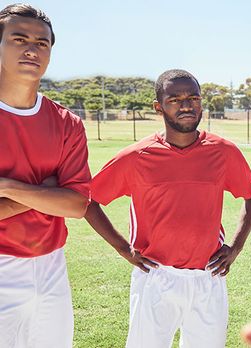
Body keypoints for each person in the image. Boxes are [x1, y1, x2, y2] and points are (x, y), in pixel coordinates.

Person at [83, 69, 251, 347]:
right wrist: (122, 247)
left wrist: (235, 246)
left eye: (193, 98)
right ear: (158, 107)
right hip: (156, 276)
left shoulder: (223, 152)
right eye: (175, 99)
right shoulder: (136, 157)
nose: (186, 105)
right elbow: (89, 200)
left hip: (208, 276)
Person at [0, 4, 91, 347]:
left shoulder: (67, 123)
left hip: (52, 266)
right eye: (18, 38)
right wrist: (46, 190)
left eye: (42, 43)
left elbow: (77, 204)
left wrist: (9, 187)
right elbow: (60, 198)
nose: (31, 49)